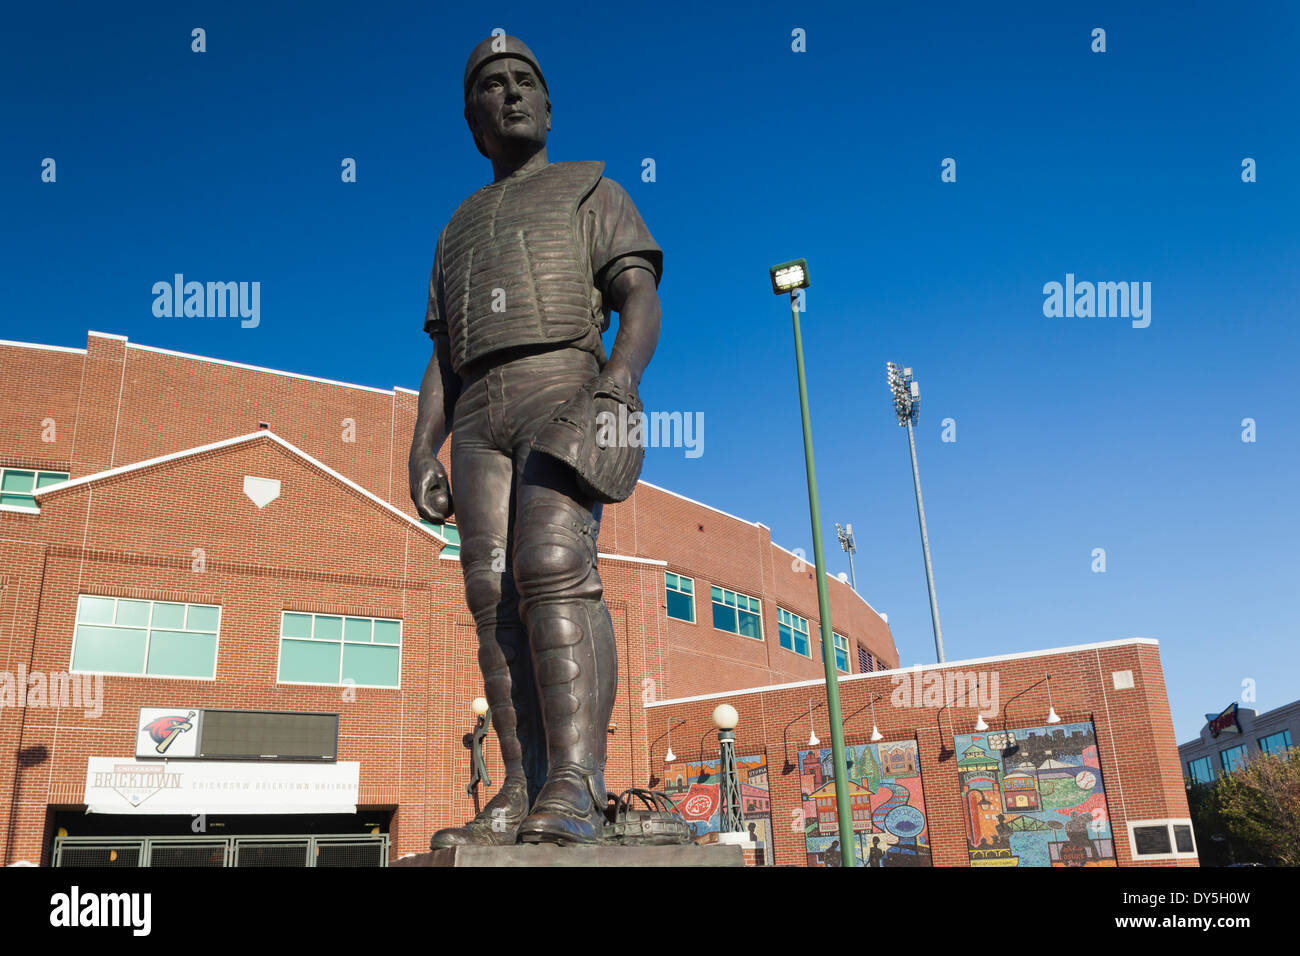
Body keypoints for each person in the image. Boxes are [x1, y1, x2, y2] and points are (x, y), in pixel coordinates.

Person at [410, 35, 663, 847]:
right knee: (489, 593)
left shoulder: (594, 189)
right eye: (492, 86)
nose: (511, 94)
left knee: (551, 566)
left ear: (548, 105)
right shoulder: (455, 228)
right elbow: (444, 357)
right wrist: (422, 450)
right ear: (472, 120)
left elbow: (638, 295)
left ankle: (577, 784)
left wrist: (617, 385)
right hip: (479, 411)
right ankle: (519, 787)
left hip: (566, 384)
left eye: (525, 82)